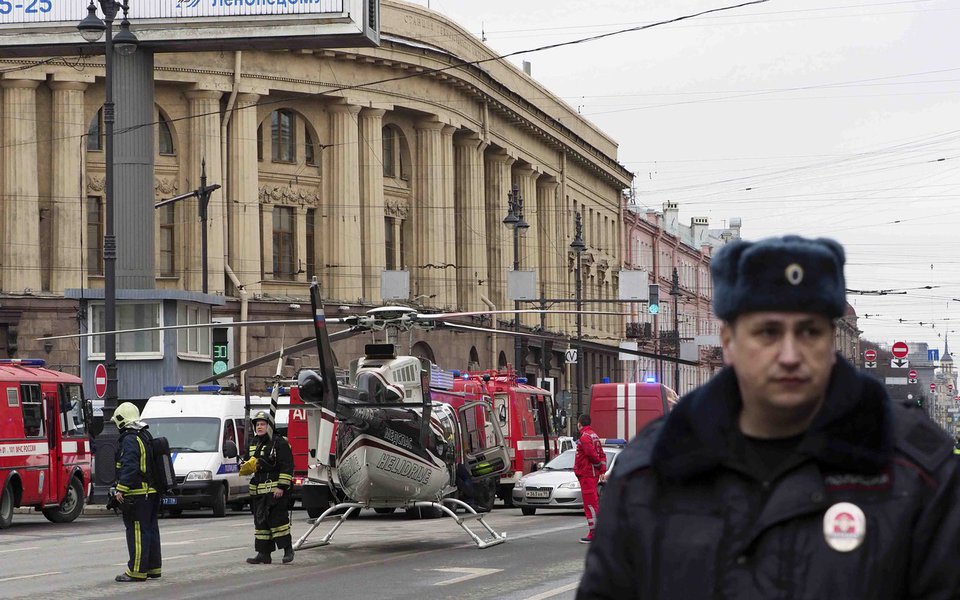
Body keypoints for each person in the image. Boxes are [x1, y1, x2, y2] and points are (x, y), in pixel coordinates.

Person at [578, 235, 960, 599]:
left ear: (831, 341)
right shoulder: (654, 468)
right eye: (768, 332)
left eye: (809, 332)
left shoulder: (915, 470)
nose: (790, 355)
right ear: (729, 341)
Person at [111, 402, 162, 582]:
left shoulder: (130, 439)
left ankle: (137, 571)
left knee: (137, 532)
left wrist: (121, 489)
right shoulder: (145, 435)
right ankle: (153, 568)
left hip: (138, 494)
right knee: (150, 530)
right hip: (151, 491)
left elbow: (130, 465)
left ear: (121, 420)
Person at [242, 411, 294, 565]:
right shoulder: (253, 443)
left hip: (275, 491)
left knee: (279, 522)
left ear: (270, 426)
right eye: (257, 424)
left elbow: (287, 466)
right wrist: (244, 466)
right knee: (261, 524)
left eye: (263, 424)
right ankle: (263, 554)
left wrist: (281, 487)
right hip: (259, 491)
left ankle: (288, 550)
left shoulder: (279, 442)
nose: (259, 427)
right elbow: (247, 461)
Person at [573, 414, 605, 544]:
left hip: (587, 475)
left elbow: (592, 454)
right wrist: (601, 469)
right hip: (591, 475)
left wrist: (598, 466)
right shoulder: (594, 436)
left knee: (590, 505)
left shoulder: (585, 437)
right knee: (593, 503)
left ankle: (594, 534)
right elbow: (601, 454)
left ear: (579, 424)